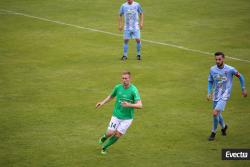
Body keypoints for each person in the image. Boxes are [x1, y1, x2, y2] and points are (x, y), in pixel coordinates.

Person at [96, 71, 143, 154]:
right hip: (116, 115)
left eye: (126, 78)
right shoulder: (118, 87)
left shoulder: (133, 90)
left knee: (117, 135)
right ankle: (104, 137)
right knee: (110, 133)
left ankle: (104, 147)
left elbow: (140, 105)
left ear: (130, 79)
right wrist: (102, 102)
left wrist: (129, 105)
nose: (124, 80)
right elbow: (111, 96)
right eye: (123, 78)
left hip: (127, 118)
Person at [207, 51, 247, 141]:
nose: (217, 61)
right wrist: (209, 92)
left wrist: (243, 88)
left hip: (225, 95)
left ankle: (213, 132)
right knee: (218, 113)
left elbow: (241, 76)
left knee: (215, 113)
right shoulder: (212, 69)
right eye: (216, 59)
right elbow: (210, 81)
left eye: (219, 59)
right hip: (216, 95)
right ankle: (224, 127)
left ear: (223, 59)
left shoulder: (230, 69)